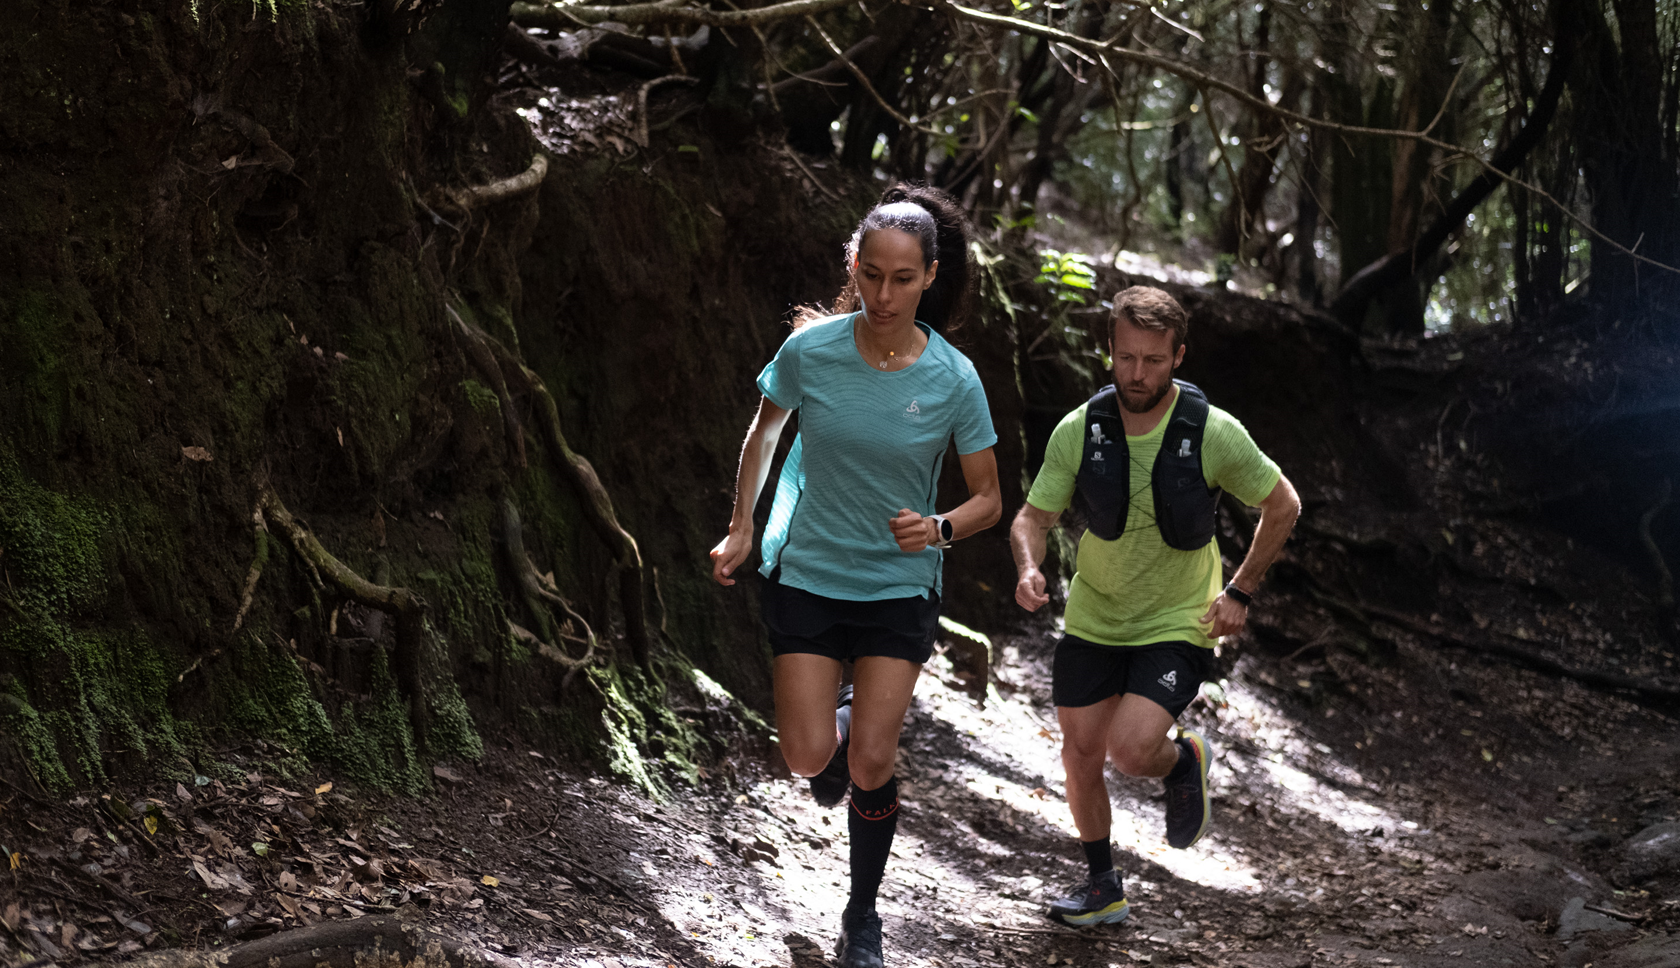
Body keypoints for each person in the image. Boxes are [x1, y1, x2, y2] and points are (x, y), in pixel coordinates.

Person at [710, 185, 1002, 968]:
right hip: (807, 572)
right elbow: (764, 434)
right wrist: (742, 528)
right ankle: (836, 724)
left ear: (929, 277)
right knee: (808, 758)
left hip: (898, 587)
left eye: (901, 279)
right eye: (871, 274)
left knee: (874, 762)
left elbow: (988, 499)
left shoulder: (954, 379)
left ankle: (862, 916)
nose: (883, 294)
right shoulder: (812, 351)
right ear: (854, 265)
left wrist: (940, 528)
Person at [1010, 285, 1299, 927]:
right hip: (1095, 617)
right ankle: (1102, 886)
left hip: (1179, 619)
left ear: (1178, 357)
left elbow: (1283, 504)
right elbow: (1033, 516)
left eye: (1154, 360)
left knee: (1131, 749)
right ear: (1108, 352)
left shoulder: (1214, 433)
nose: (1138, 374)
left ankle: (1182, 760)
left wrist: (1241, 590)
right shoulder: (1080, 430)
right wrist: (1029, 566)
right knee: (1080, 753)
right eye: (1127, 358)